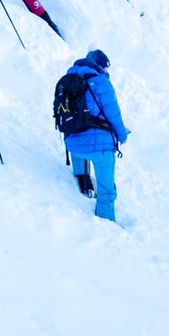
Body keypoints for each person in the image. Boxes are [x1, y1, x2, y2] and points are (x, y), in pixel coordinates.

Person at [58, 50, 129, 222]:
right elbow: (113, 114)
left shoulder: (68, 81)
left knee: (80, 140)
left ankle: (82, 180)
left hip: (73, 144)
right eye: (105, 67)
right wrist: (122, 135)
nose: (107, 71)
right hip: (101, 148)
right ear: (98, 65)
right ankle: (106, 226)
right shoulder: (101, 83)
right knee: (107, 192)